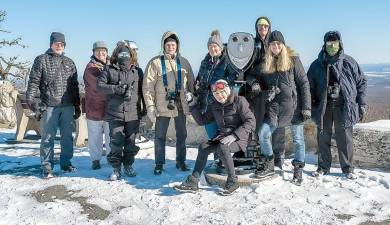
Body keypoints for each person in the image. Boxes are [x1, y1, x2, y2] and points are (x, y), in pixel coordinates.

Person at [174, 79, 256, 195]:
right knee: (203, 147)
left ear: (227, 90)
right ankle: (193, 181)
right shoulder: (215, 106)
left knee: (223, 147)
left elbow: (251, 122)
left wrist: (234, 136)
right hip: (222, 137)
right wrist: (192, 103)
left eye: (222, 92)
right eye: (216, 94)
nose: (219, 96)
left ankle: (233, 181)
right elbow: (202, 120)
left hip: (240, 138)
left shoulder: (239, 101)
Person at [307, 31, 367, 179]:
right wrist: (311, 104)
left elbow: (361, 83)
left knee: (345, 138)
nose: (332, 46)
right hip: (323, 106)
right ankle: (323, 167)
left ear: (340, 44)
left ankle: (347, 169)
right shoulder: (317, 64)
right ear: (324, 44)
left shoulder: (349, 62)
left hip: (344, 106)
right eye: (329, 43)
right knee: (323, 137)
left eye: (335, 43)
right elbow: (309, 87)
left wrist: (362, 103)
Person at [255, 31, 311, 183]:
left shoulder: (293, 60)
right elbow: (256, 77)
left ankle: (298, 169)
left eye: (278, 44)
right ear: (269, 46)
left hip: (294, 107)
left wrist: (306, 107)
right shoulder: (266, 63)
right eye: (273, 44)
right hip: (275, 108)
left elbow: (304, 83)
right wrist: (258, 85)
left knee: (298, 139)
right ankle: (269, 163)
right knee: (263, 134)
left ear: (283, 45)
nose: (276, 46)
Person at [26, 32, 80, 178]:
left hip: (67, 105)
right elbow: (34, 81)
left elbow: (74, 86)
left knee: (67, 137)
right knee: (48, 137)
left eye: (62, 44)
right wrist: (31, 101)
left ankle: (66, 163)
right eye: (56, 43)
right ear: (51, 44)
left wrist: (77, 105)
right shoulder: (41, 60)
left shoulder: (69, 62)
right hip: (50, 105)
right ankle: (47, 166)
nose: (59, 46)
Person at [143, 31, 194, 175]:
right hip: (162, 105)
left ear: (177, 46)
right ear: (163, 46)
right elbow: (147, 87)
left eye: (173, 44)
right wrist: (150, 107)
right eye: (168, 44)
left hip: (180, 104)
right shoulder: (155, 62)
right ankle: (159, 163)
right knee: (159, 136)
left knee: (182, 135)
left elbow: (191, 84)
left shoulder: (184, 62)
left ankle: (181, 161)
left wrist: (192, 104)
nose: (171, 47)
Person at [243, 16, 287, 169]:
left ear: (269, 27)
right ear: (256, 28)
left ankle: (278, 158)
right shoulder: (251, 45)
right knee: (258, 124)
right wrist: (253, 83)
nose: (263, 29)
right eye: (260, 26)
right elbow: (247, 70)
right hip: (256, 92)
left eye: (265, 26)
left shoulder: (274, 43)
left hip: (274, 91)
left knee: (277, 126)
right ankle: (261, 155)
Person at [97, 42, 145, 180]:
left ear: (131, 56)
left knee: (131, 142)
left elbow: (142, 91)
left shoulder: (137, 71)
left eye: (127, 54)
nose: (124, 57)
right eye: (121, 54)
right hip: (114, 113)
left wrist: (145, 109)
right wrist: (115, 89)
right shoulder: (109, 69)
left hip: (133, 113)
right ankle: (116, 168)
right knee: (116, 142)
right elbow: (99, 86)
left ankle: (128, 165)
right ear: (116, 55)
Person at [194, 30, 237, 164]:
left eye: (215, 46)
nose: (213, 49)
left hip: (221, 105)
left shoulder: (227, 61)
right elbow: (199, 78)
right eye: (211, 47)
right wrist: (198, 87)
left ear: (220, 47)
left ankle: (224, 162)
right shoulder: (205, 62)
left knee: (223, 136)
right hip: (206, 105)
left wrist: (221, 87)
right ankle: (217, 161)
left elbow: (233, 78)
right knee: (213, 136)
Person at [83, 41, 111, 170]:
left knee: (111, 134)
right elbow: (100, 85)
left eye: (103, 50)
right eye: (98, 51)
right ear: (94, 53)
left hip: (110, 108)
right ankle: (95, 159)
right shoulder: (91, 68)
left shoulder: (112, 65)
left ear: (107, 52)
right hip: (94, 107)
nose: (101, 53)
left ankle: (111, 157)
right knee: (95, 136)